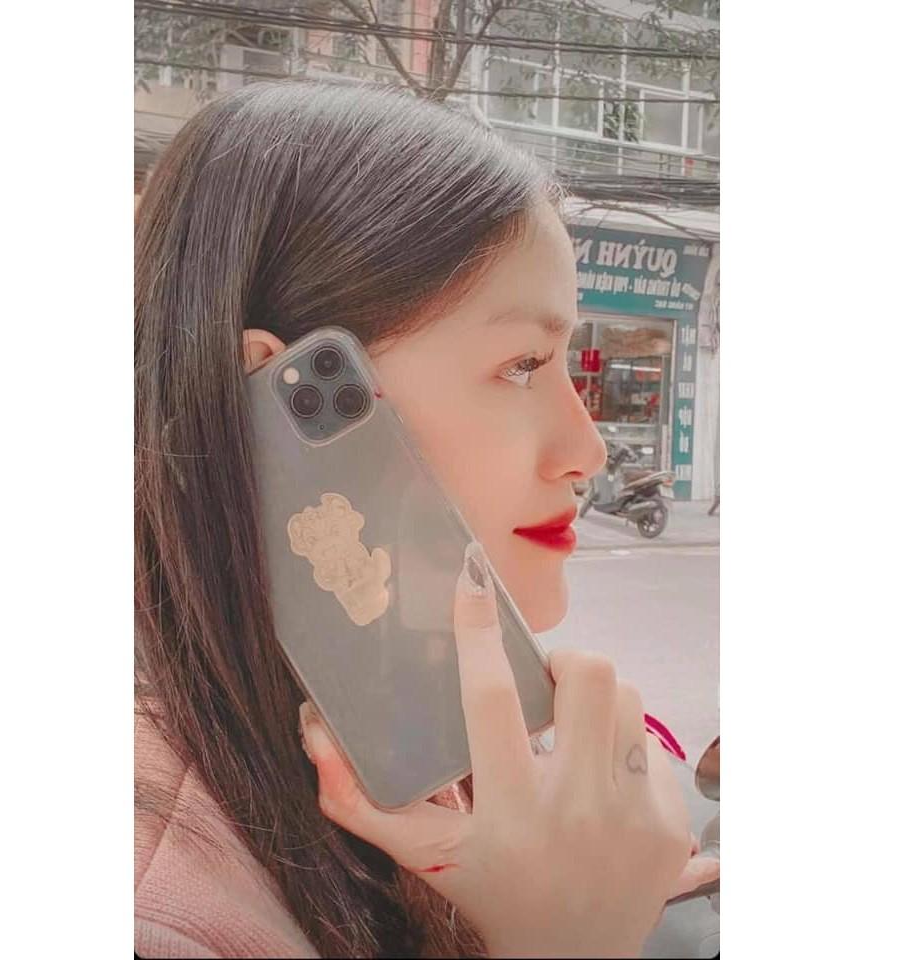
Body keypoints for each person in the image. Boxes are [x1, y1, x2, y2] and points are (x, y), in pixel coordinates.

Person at [135, 80, 718, 959]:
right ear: (264, 406)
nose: (588, 450)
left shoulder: (428, 743)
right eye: (522, 365)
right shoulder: (158, 914)